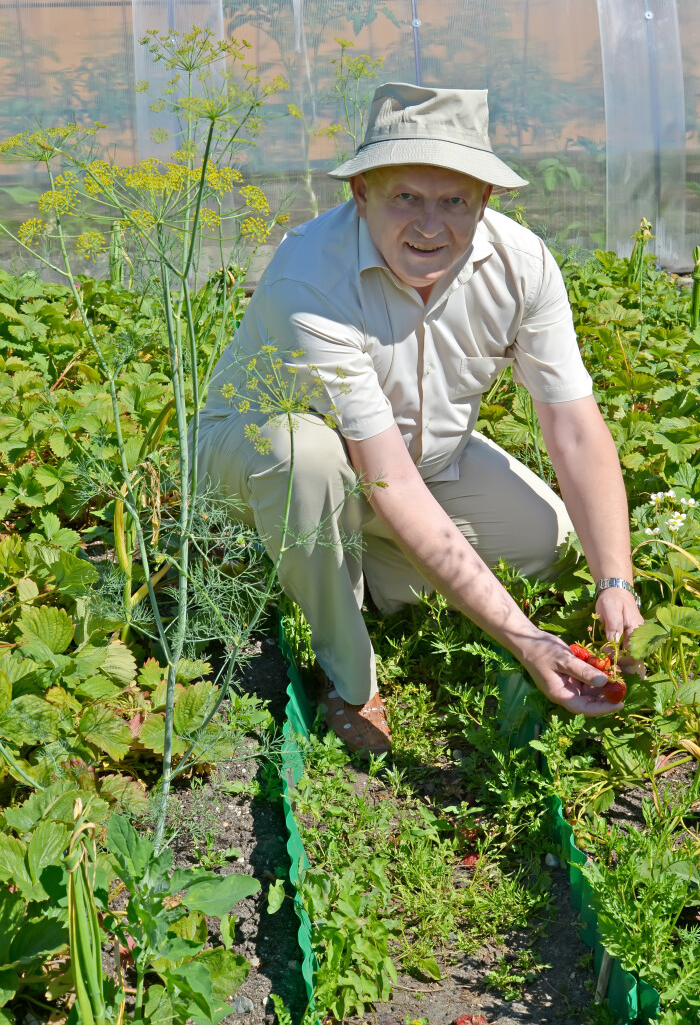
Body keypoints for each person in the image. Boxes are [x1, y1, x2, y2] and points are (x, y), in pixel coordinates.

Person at [196, 83, 644, 753]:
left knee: (546, 545)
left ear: (484, 200)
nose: (430, 225)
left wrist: (616, 583)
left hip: (414, 465)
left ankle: (356, 561)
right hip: (260, 456)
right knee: (306, 458)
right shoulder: (311, 278)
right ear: (361, 194)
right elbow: (389, 482)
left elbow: (575, 427)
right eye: (406, 197)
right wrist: (524, 638)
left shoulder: (522, 264)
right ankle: (350, 679)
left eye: (453, 200)